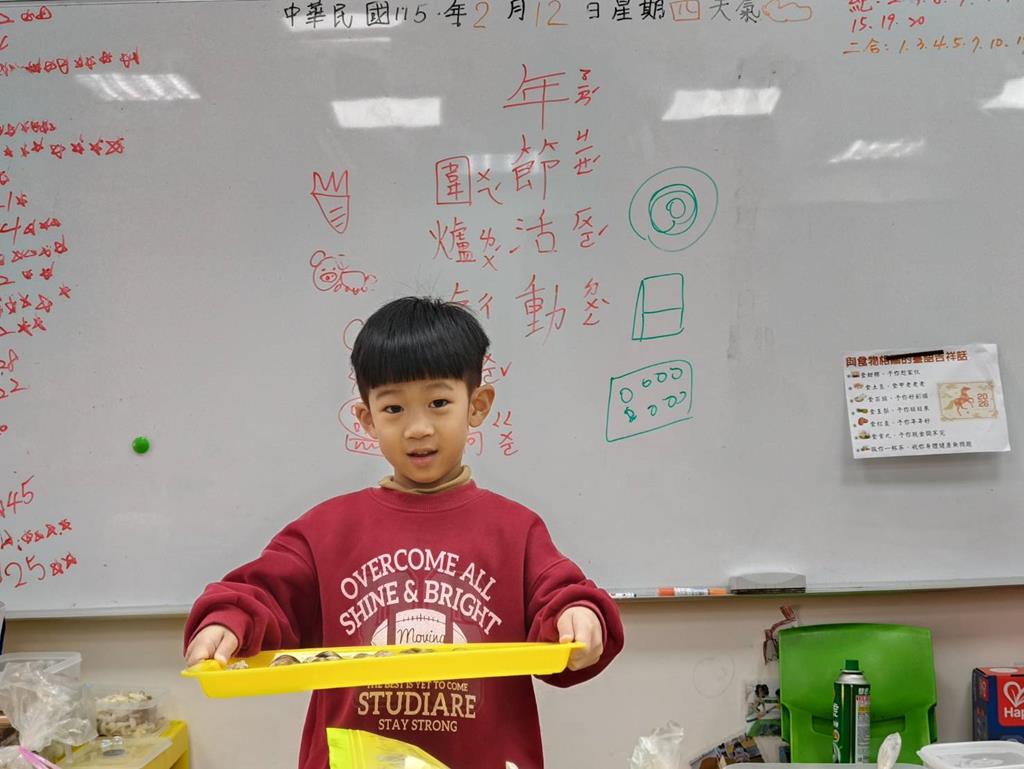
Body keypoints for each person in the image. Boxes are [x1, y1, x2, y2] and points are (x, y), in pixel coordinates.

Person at [183, 296, 624, 769]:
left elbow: (561, 600)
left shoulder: (516, 530)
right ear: (367, 419)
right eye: (393, 408)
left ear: (477, 405)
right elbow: (260, 594)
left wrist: (578, 614)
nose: (417, 428)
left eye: (439, 403)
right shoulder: (326, 530)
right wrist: (228, 620)